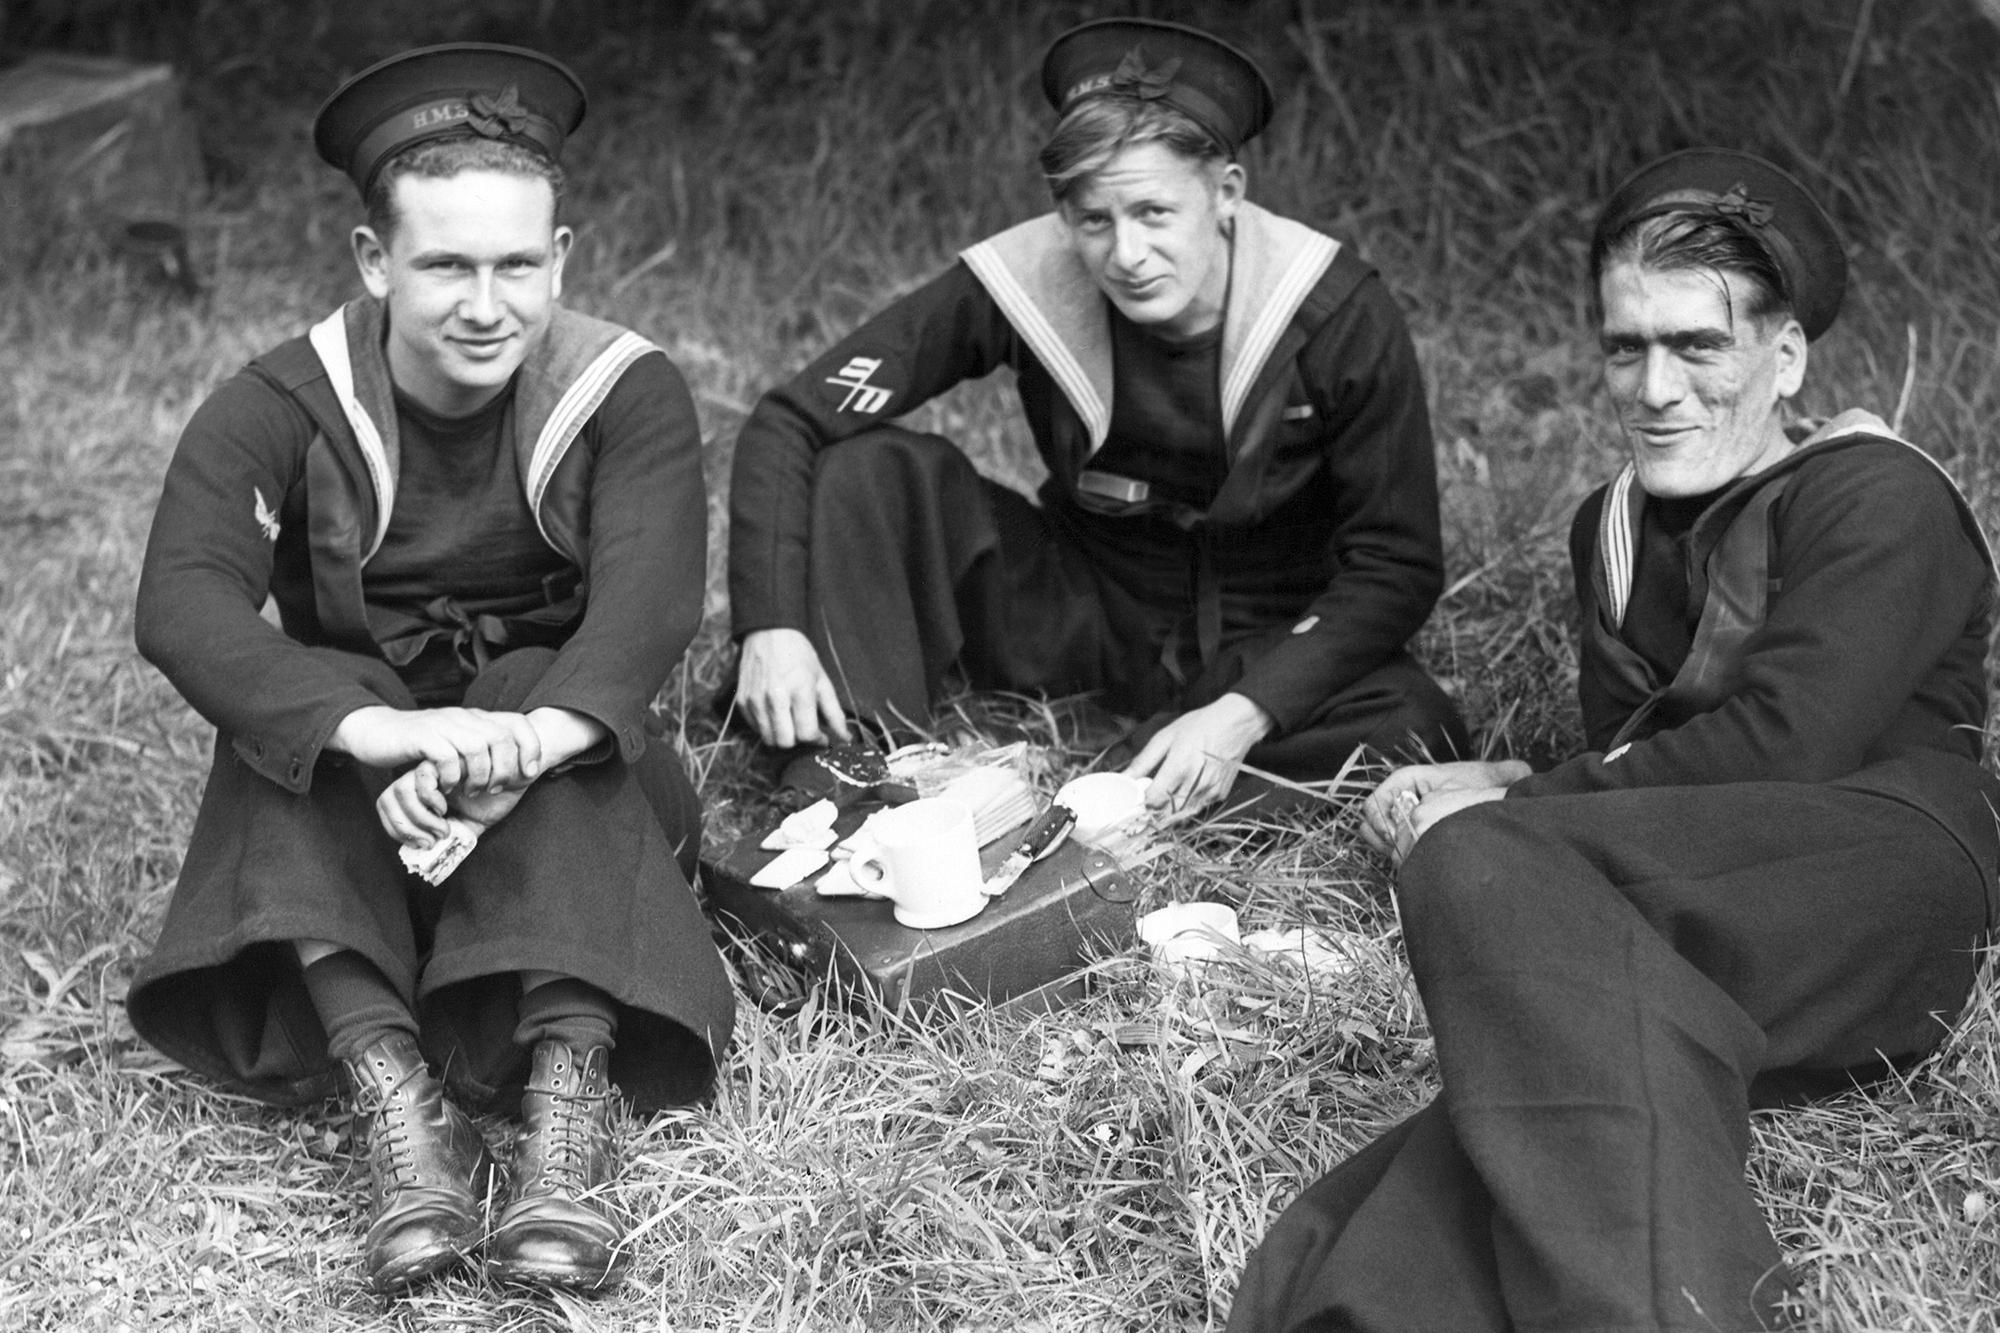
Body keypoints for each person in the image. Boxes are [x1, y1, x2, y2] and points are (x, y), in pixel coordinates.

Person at [1227, 148, 1997, 1332]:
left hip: (1884, 870)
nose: (1653, 385)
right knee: (1553, 1041)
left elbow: (1784, 744)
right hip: (1716, 901)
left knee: (1479, 872)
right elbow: (1646, 769)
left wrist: (1505, 813)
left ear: (1781, 358)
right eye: (1624, 347)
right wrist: (1509, 783)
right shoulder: (1612, 529)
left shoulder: (1868, 495)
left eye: (1697, 346)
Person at [127, 44, 735, 1295]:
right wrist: (373, 735)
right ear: (372, 261)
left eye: (518, 265)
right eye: (445, 264)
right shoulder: (283, 400)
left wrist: (522, 746)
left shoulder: (625, 391)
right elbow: (182, 603)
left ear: (560, 258)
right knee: (281, 708)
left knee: (531, 680)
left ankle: (568, 1105)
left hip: (579, 808)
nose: (486, 302)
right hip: (364, 829)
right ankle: (401, 1105)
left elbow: (648, 603)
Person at [727, 18, 1467, 815]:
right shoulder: (1025, 273)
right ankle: (847, 764)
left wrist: (1243, 713)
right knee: (864, 467)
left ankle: (1145, 782)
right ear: (1062, 214)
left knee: (1416, 728)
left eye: (1154, 212)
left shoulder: (1335, 309)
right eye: (1094, 220)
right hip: (1076, 614)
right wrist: (771, 626)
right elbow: (792, 418)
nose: (1126, 254)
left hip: (1269, 634)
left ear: (1226, 194)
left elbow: (1398, 562)